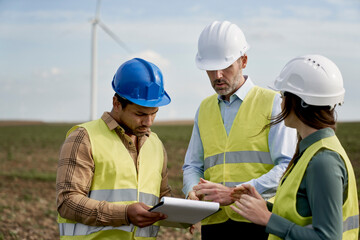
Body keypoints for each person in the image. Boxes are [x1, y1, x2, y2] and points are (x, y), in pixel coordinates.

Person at [182, 20, 297, 239]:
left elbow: (287, 166)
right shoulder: (204, 109)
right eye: (210, 69)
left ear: (243, 61)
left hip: (259, 220)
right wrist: (191, 193)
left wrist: (235, 193)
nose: (217, 76)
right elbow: (192, 165)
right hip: (214, 223)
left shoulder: (272, 103)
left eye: (225, 67)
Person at [230, 54, 359, 239]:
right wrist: (264, 207)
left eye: (283, 95)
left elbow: (328, 237)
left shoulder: (323, 161)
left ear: (300, 102)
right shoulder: (312, 151)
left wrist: (268, 219)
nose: (280, 101)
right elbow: (300, 215)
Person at [56, 58, 173, 239]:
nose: (148, 122)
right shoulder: (84, 137)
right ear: (116, 103)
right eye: (140, 114)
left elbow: (162, 198)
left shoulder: (155, 144)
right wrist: (124, 214)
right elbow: (68, 202)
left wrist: (187, 213)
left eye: (154, 113)